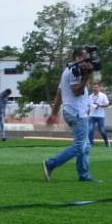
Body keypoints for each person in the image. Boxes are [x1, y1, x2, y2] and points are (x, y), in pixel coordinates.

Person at [42, 48, 98, 182]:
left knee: (85, 145)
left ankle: (84, 175)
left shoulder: (67, 70)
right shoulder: (75, 72)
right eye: (85, 57)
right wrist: (86, 76)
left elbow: (59, 94)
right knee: (79, 146)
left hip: (71, 111)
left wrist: (54, 113)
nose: (87, 60)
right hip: (77, 112)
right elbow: (76, 92)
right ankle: (51, 164)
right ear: (77, 57)